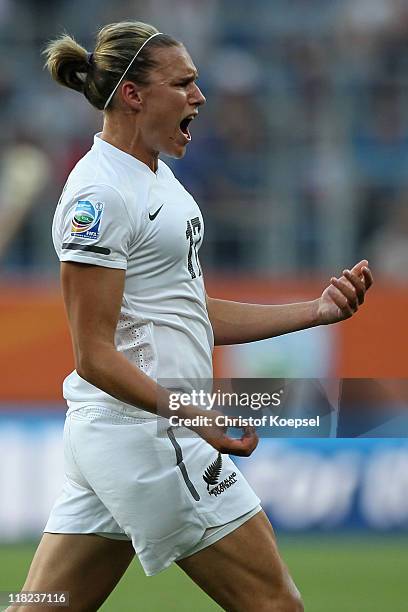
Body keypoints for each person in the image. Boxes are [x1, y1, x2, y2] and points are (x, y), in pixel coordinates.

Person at [12, 21, 373, 612]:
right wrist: (195, 416)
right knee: (276, 605)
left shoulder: (154, 175)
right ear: (133, 95)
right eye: (184, 84)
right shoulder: (99, 199)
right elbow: (94, 355)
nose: (199, 98)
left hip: (123, 435)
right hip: (150, 434)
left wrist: (316, 311)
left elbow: (190, 311)